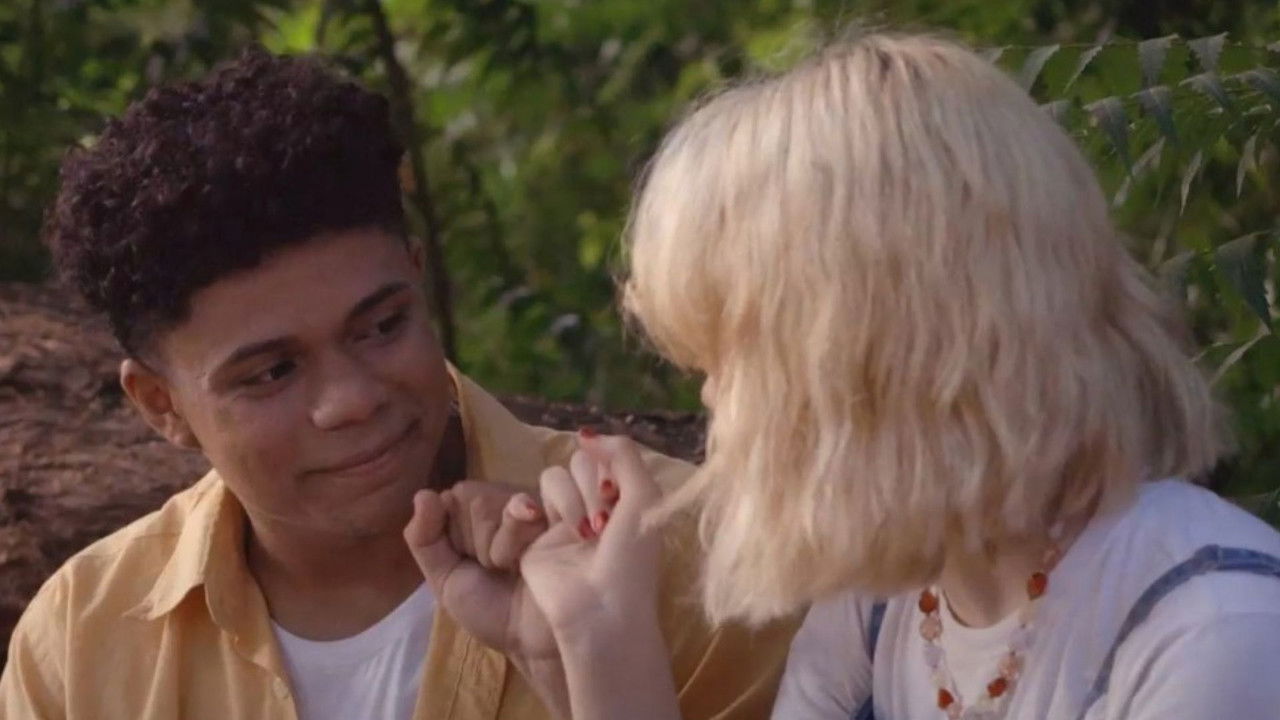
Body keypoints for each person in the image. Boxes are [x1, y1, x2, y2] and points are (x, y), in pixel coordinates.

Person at [406, 32, 1280, 720]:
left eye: (735, 355)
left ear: (875, 354)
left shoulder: (1211, 636)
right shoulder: (888, 605)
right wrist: (592, 637)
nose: (709, 395)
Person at [0, 47, 797, 720]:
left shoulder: (693, 562)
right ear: (160, 405)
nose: (352, 400)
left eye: (381, 327)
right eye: (272, 372)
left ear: (418, 280)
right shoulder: (79, 644)